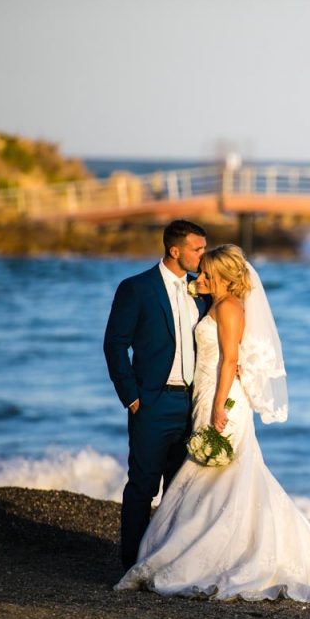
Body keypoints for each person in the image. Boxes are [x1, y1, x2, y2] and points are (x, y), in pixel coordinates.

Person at [115, 245, 310, 601]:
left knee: (223, 474)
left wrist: (219, 407)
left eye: (207, 275)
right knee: (212, 475)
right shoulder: (215, 303)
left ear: (222, 278)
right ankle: (199, 548)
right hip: (204, 395)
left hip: (223, 399)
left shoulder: (230, 307)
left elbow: (230, 361)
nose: (199, 278)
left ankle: (212, 554)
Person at [104, 220, 209, 570]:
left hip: (192, 403)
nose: (203, 255)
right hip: (152, 402)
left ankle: (167, 559)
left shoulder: (201, 291)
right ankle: (131, 562)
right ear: (175, 250)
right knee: (143, 486)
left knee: (180, 489)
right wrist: (131, 396)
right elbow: (115, 345)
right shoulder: (136, 288)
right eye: (198, 249)